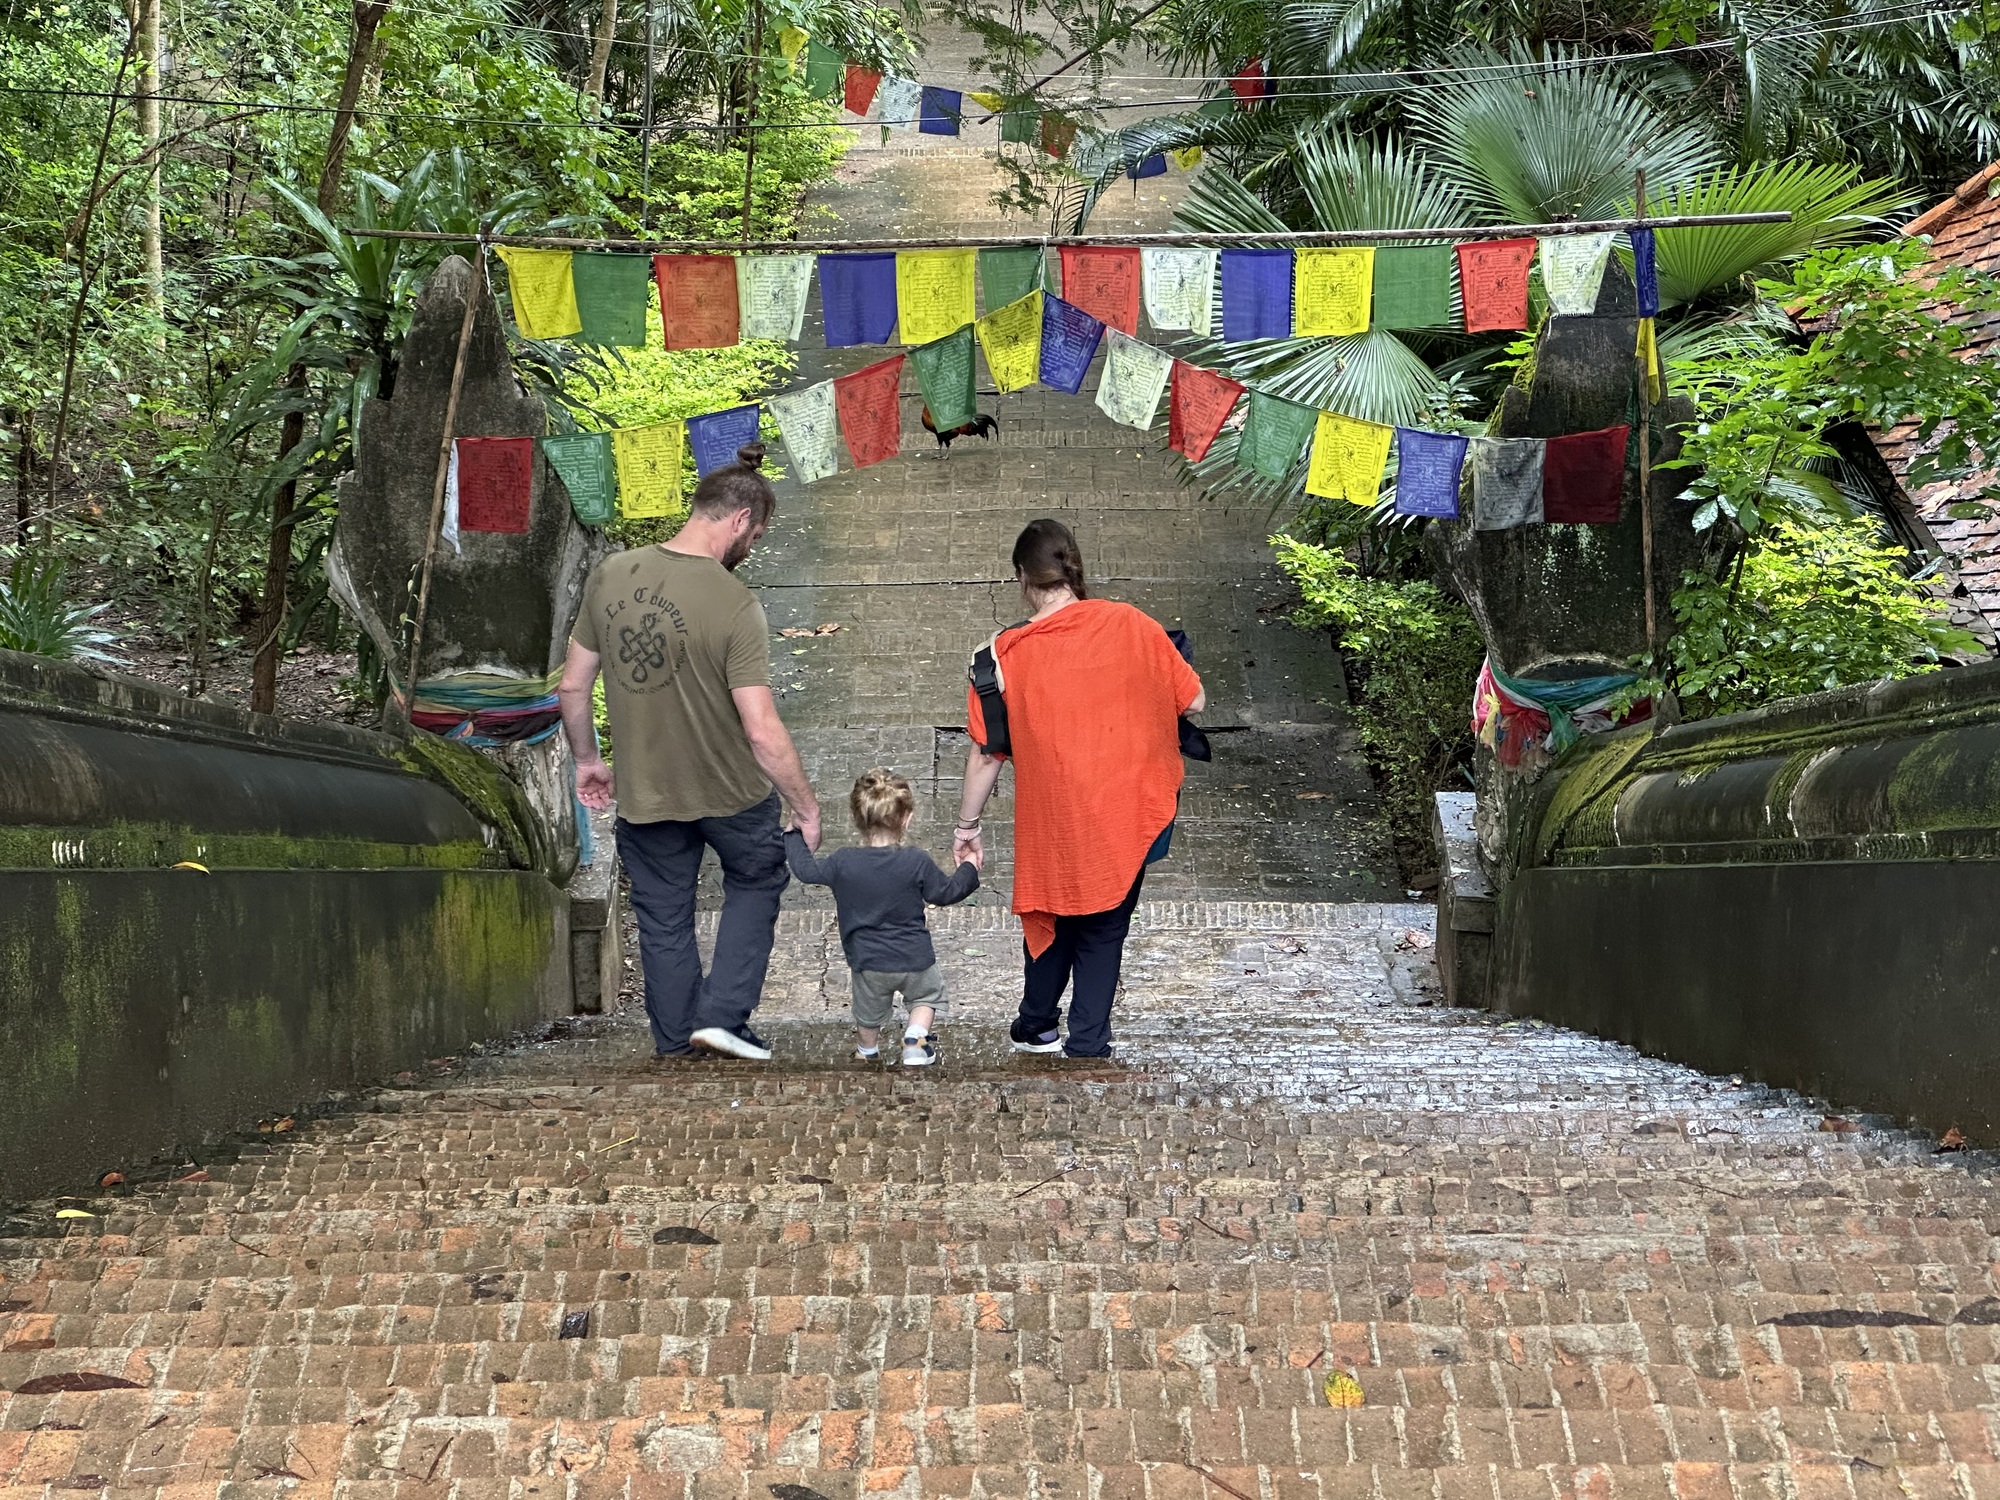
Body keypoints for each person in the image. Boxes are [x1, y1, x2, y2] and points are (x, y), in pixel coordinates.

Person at [557, 442, 820, 1063]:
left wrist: (589, 761)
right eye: (755, 536)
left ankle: (676, 1040)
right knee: (757, 879)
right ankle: (722, 1017)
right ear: (739, 520)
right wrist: (804, 806)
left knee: (663, 915)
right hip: (732, 794)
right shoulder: (735, 604)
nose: (750, 548)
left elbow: (571, 686)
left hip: (646, 793)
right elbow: (761, 729)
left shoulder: (612, 575)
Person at [954, 519, 1204, 1059]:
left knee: (1053, 906)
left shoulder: (1000, 657)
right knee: (1105, 923)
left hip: (1053, 818)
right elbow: (1194, 702)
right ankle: (1089, 1041)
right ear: (1074, 569)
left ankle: (1037, 1024)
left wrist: (967, 827)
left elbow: (987, 752)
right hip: (1127, 810)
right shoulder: (1134, 624)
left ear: (1022, 576)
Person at [785, 768, 981, 1067]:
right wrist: (968, 867)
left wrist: (792, 835)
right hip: (915, 957)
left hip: (868, 961)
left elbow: (806, 870)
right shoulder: (916, 861)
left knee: (868, 1013)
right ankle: (916, 1041)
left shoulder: (842, 862)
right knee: (926, 997)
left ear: (856, 819)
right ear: (907, 819)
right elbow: (946, 893)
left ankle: (867, 1051)